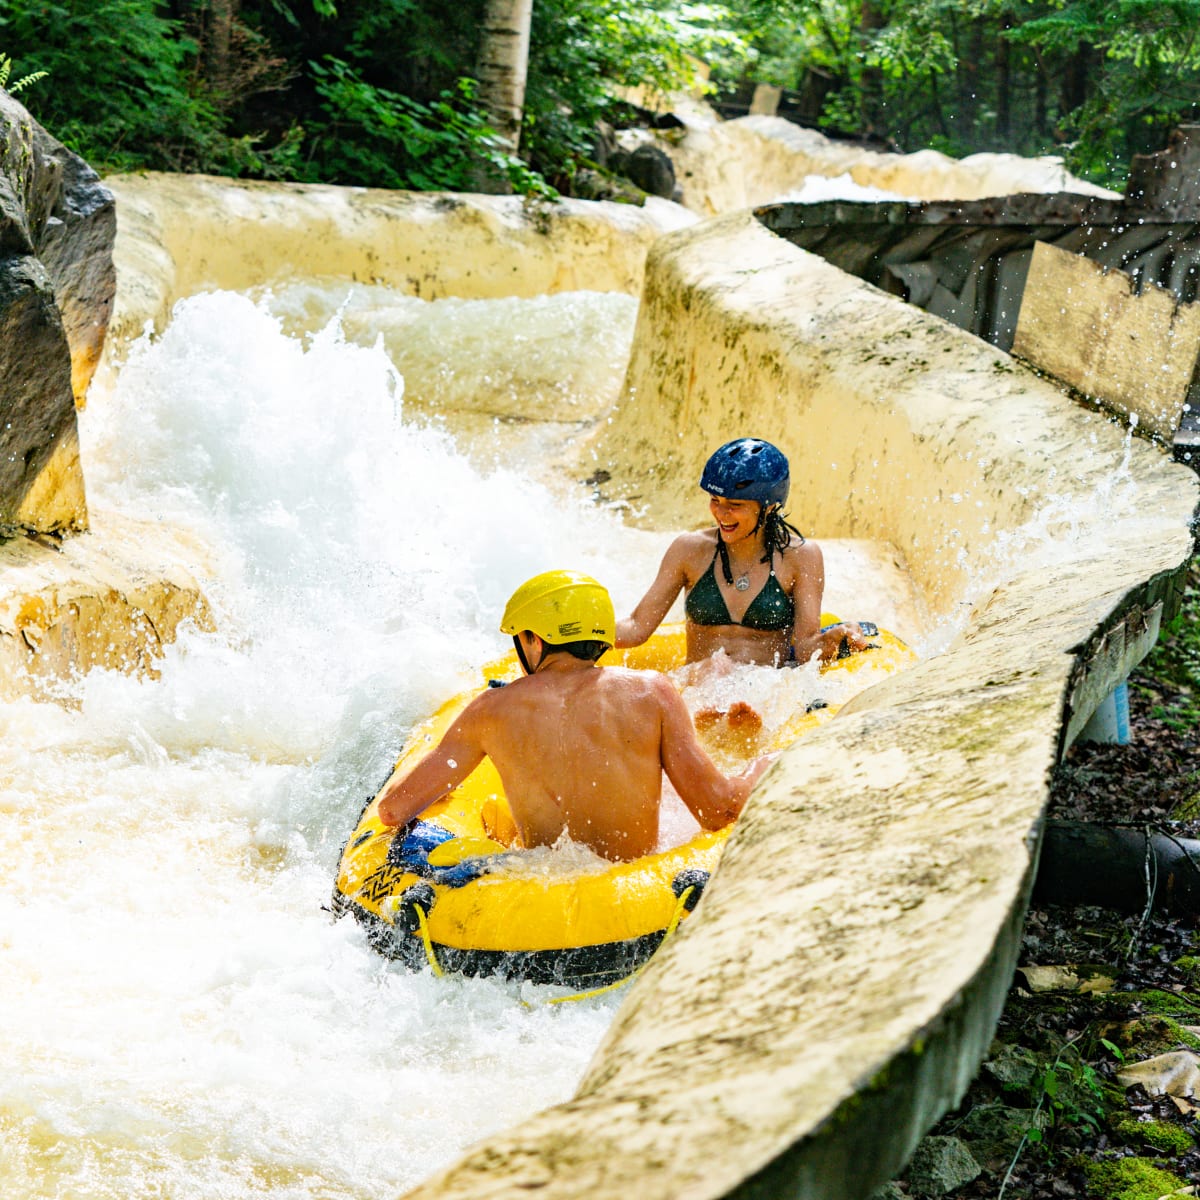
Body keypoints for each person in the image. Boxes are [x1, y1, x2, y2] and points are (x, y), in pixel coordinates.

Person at [376, 570, 774, 862]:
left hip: (540, 890)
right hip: (632, 894)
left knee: (497, 816)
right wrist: (763, 767)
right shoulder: (651, 691)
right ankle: (730, 742)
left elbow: (394, 810)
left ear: (533, 639)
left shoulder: (488, 710)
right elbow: (717, 811)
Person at [616, 437, 868, 669]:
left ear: (769, 506)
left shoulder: (800, 556)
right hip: (698, 682)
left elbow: (804, 649)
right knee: (711, 672)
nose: (721, 514)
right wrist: (581, 626)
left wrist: (835, 639)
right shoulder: (689, 549)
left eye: (735, 505)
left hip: (764, 685)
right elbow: (636, 629)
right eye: (715, 500)